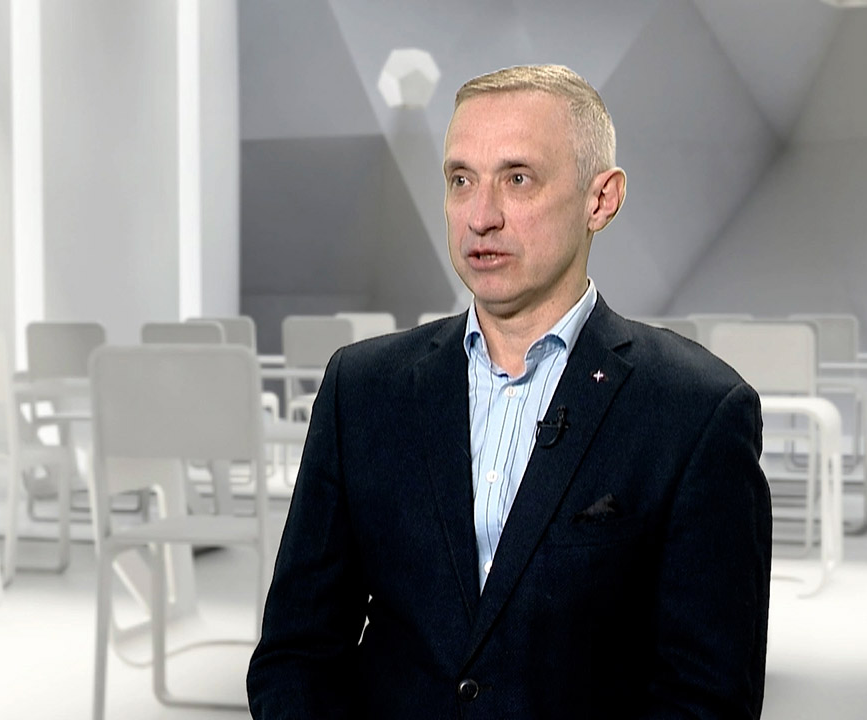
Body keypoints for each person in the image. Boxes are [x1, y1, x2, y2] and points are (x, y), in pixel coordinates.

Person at [248, 64, 771, 719]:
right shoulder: (362, 390)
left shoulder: (696, 412)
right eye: (461, 180)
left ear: (600, 200)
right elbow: (297, 653)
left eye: (517, 179)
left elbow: (708, 698)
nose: (481, 216)